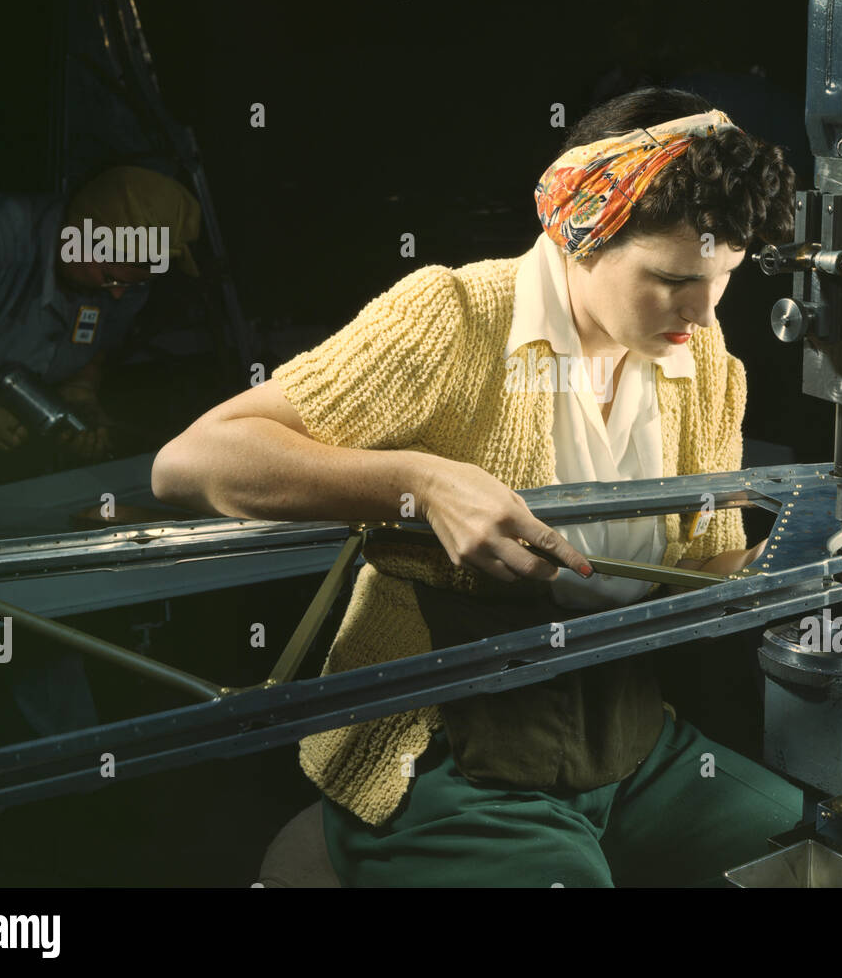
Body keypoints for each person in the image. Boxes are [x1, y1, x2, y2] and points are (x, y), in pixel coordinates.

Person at [151, 87, 802, 887]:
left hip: (626, 745)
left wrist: (800, 557)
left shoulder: (700, 362)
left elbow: (694, 575)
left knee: (817, 860)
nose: (702, 313)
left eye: (724, 276)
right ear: (580, 232)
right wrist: (419, 482)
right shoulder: (457, 319)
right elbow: (192, 461)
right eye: (671, 279)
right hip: (449, 755)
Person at [0, 165, 202, 497]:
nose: (117, 294)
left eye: (131, 284)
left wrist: (81, 390)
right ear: (75, 235)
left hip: (7, 440)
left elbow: (102, 336)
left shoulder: (128, 277)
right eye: (109, 277)